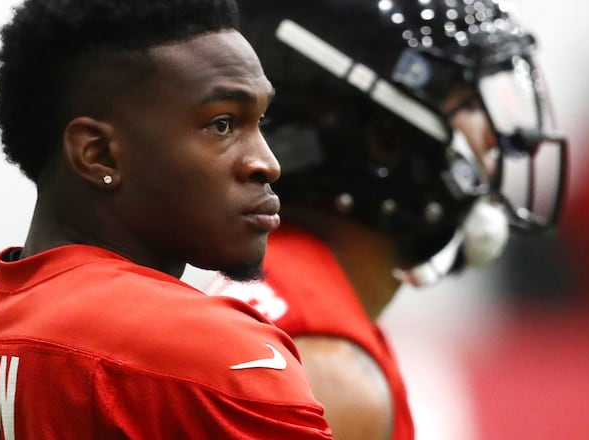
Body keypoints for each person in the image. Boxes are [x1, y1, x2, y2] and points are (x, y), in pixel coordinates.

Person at [0, 0, 334, 438]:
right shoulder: (211, 351)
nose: (267, 163)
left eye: (260, 121)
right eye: (222, 124)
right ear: (98, 154)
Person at [201, 0, 568, 438]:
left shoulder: (281, 297)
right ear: (382, 139)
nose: (496, 138)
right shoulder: (326, 373)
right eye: (467, 102)